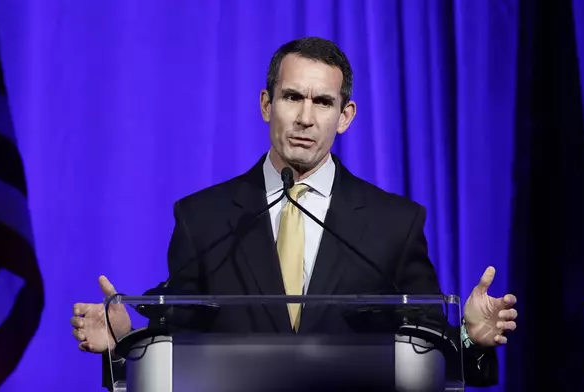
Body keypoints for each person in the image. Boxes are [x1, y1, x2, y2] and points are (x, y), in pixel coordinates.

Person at [71, 37, 517, 387]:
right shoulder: (203, 217)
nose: (305, 117)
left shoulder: (394, 223)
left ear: (345, 116)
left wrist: (466, 337)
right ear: (267, 104)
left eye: (323, 102)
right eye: (291, 97)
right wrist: (125, 342)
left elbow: (430, 349)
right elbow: (179, 336)